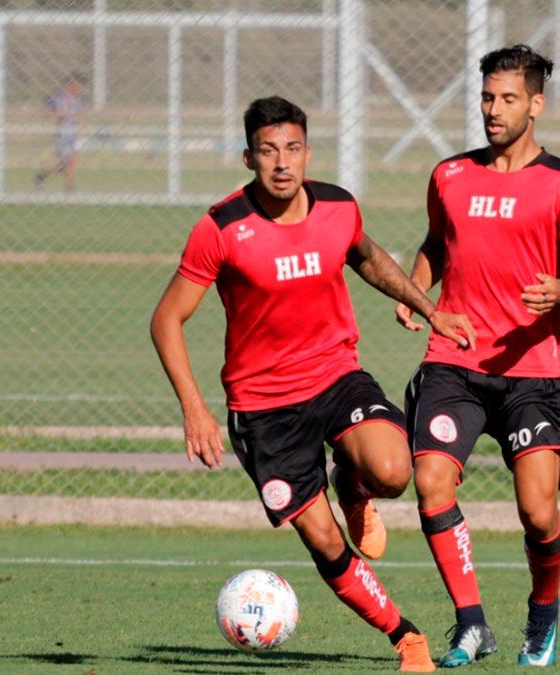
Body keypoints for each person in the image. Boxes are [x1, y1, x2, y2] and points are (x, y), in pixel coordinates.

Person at [151, 96, 477, 672]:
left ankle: (351, 485)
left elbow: (368, 257)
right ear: (248, 157)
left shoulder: (338, 207)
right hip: (264, 410)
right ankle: (407, 638)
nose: (282, 162)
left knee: (393, 471)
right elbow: (166, 320)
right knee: (325, 542)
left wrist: (431, 309)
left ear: (307, 153)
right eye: (268, 151)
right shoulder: (221, 227)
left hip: (336, 377)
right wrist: (194, 408)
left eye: (293, 148)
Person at [394, 45, 560, 667]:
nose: (493, 110)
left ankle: (544, 613)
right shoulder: (450, 175)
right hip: (454, 359)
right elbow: (437, 243)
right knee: (431, 482)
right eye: (487, 97)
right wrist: (416, 289)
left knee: (538, 513)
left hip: (531, 372)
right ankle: (472, 624)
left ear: (536, 105)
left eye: (508, 99)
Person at [35, 73, 85, 191]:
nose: (79, 88)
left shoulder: (79, 98)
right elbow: (44, 113)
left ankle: (42, 176)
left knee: (65, 162)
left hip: (73, 133)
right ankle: (69, 186)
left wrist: (79, 120)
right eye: (77, 85)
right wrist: (59, 114)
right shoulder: (57, 96)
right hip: (62, 133)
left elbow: (78, 113)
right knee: (71, 160)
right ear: (70, 84)